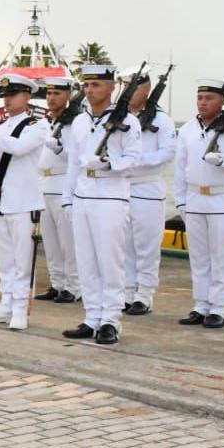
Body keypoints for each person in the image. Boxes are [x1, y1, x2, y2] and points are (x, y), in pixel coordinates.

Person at [62, 64, 141, 345]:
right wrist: (67, 198)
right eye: (86, 85)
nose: (89, 90)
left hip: (110, 196)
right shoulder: (81, 122)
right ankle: (91, 316)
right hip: (83, 194)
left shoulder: (129, 121)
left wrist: (110, 164)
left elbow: (134, 159)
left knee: (110, 263)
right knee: (87, 262)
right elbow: (72, 162)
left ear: (111, 87)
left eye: (96, 85)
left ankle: (110, 320)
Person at [0, 75, 49, 330]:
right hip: (1, 201)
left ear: (27, 97)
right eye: (5, 95)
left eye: (13, 94)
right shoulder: (0, 129)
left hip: (24, 202)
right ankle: (5, 304)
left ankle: (20, 309)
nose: (6, 99)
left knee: (23, 260)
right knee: (5, 259)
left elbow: (19, 148)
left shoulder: (38, 125)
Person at [175, 79, 224, 329]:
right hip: (195, 198)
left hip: (223, 198)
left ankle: (219, 308)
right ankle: (201, 305)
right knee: (198, 257)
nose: (203, 102)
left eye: (209, 98)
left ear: (222, 102)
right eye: (200, 98)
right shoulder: (187, 129)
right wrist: (180, 201)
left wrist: (222, 160)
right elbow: (180, 167)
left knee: (220, 256)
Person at [123, 69, 176, 315]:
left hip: (147, 186)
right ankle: (127, 290)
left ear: (147, 89)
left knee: (146, 245)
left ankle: (144, 295)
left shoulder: (162, 120)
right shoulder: (120, 116)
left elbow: (168, 152)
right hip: (122, 187)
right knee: (124, 245)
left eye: (135, 86)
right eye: (127, 86)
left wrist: (138, 160)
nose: (131, 91)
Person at [36, 77, 80, 304]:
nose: (52, 98)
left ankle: (73, 286)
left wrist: (60, 149)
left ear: (68, 96)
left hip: (63, 185)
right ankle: (57, 283)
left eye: (57, 94)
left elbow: (78, 158)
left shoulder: (76, 123)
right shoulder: (48, 122)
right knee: (51, 243)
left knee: (68, 242)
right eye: (49, 94)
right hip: (45, 185)